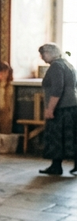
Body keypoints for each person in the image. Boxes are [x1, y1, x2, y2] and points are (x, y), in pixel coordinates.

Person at [37, 43, 77, 175]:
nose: (42, 57)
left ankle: (56, 166)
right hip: (71, 107)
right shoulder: (67, 64)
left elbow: (57, 89)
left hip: (60, 108)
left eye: (43, 54)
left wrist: (50, 109)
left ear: (50, 53)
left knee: (56, 137)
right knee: (71, 137)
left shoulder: (56, 66)